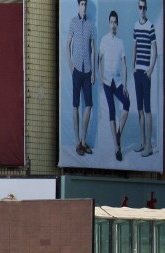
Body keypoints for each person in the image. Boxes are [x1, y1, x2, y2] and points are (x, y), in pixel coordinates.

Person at [99, 10, 130, 162]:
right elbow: (99, 59)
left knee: (127, 103)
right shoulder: (104, 40)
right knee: (112, 110)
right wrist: (100, 75)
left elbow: (124, 63)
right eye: (111, 22)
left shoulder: (121, 42)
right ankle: (117, 148)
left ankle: (118, 133)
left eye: (115, 22)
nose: (113, 25)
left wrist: (125, 85)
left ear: (117, 24)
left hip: (117, 82)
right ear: (109, 23)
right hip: (107, 82)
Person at [67, 0, 96, 156]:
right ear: (78, 6)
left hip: (87, 71)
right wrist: (70, 64)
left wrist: (93, 72)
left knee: (89, 105)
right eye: (82, 4)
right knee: (75, 106)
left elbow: (92, 49)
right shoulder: (73, 22)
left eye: (85, 5)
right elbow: (68, 44)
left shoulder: (91, 25)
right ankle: (77, 142)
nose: (84, 7)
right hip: (77, 69)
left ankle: (84, 141)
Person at [132, 0, 157, 157]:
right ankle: (142, 143)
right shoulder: (135, 25)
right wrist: (133, 66)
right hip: (137, 72)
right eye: (140, 7)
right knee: (140, 109)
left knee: (147, 110)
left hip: (146, 73)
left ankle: (149, 145)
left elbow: (155, 49)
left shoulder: (150, 26)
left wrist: (151, 70)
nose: (142, 10)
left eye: (144, 7)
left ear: (146, 9)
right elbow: (134, 46)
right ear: (138, 9)